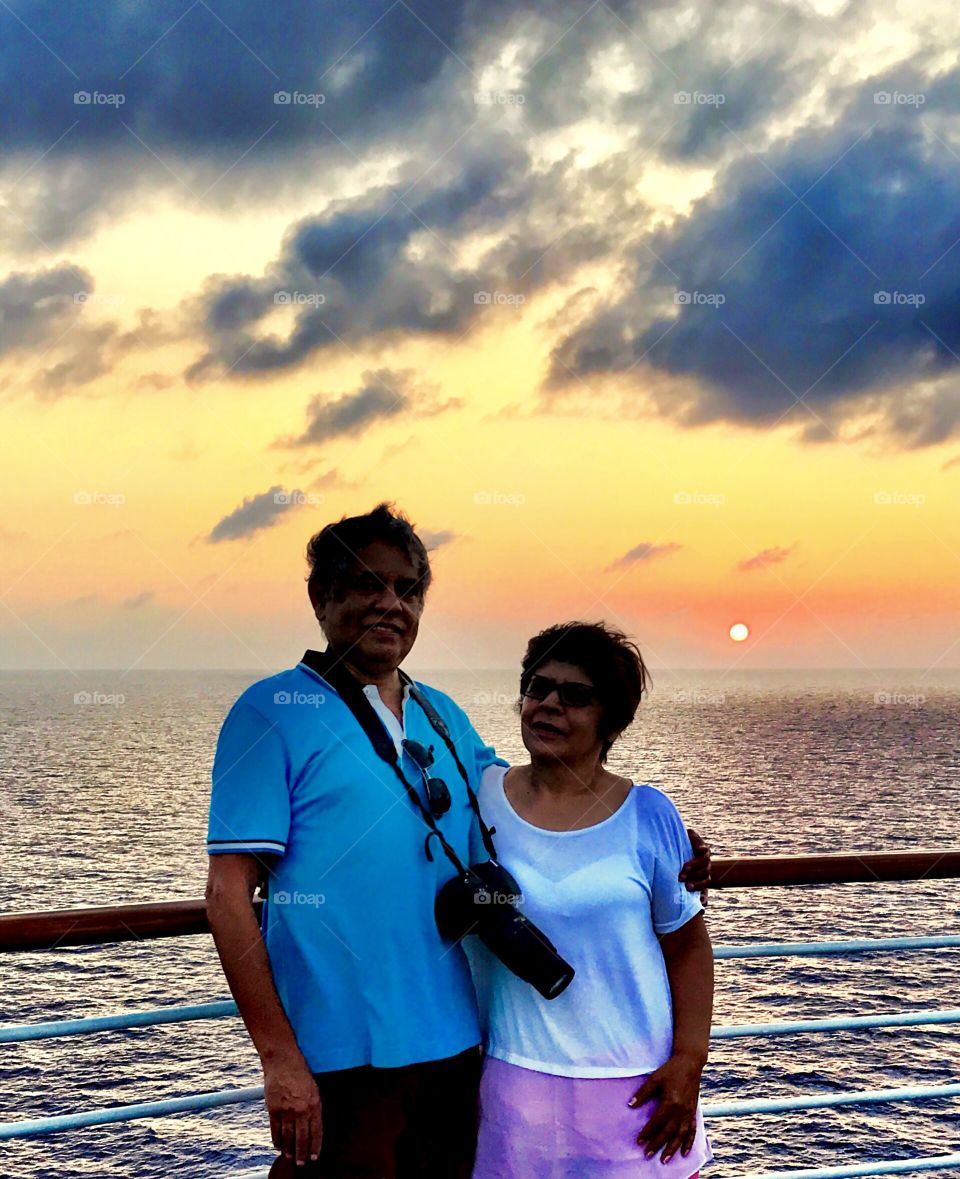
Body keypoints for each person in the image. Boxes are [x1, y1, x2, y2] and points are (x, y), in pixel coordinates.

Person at [205, 504, 712, 1179]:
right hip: (344, 1058)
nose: (391, 604)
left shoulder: (443, 715)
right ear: (321, 597)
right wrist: (280, 1060)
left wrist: (665, 832)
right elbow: (227, 895)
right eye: (367, 584)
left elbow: (533, 790)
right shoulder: (269, 713)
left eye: (408, 589)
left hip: (459, 1051)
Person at [469, 621, 714, 1179]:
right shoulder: (478, 798)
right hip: (512, 1088)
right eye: (538, 686)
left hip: (637, 1093)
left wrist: (688, 1062)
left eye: (576, 695)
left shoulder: (648, 815)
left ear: (612, 717)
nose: (549, 704)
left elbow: (687, 949)